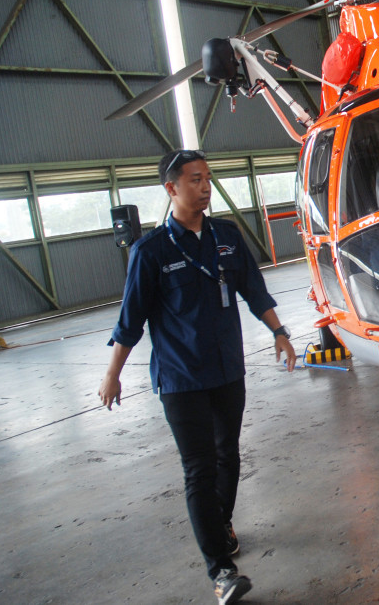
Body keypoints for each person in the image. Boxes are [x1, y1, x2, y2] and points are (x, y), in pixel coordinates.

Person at [98, 149, 297, 605]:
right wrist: (113, 373)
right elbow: (131, 319)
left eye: (208, 178)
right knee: (199, 468)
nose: (205, 186)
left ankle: (220, 523)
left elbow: (253, 289)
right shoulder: (149, 251)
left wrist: (280, 332)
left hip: (228, 370)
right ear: (171, 189)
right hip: (181, 378)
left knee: (228, 456)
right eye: (194, 180)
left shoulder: (226, 236)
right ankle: (222, 571)